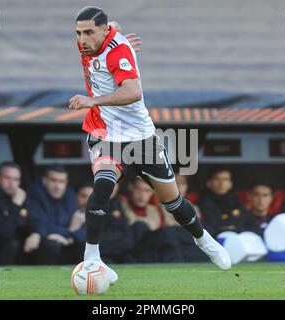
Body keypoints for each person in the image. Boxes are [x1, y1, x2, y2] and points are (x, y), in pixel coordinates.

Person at [68, 6, 230, 284]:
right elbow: (113, 25)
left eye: (88, 33)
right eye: (79, 33)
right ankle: (92, 257)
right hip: (105, 132)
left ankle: (204, 240)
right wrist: (114, 37)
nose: (82, 39)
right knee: (103, 184)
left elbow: (133, 92)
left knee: (172, 201)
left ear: (103, 31)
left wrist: (91, 99)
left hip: (140, 137)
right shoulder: (98, 39)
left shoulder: (118, 51)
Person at [0, 162, 45, 265]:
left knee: (48, 243)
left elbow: (38, 219)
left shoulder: (22, 196)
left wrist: (36, 234)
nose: (12, 183)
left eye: (16, 179)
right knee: (12, 244)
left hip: (20, 243)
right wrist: (16, 204)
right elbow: (4, 232)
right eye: (7, 178)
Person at [27, 165, 81, 264]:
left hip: (67, 241)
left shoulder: (70, 195)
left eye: (61, 181)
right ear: (44, 181)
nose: (58, 186)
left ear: (66, 183)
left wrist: (69, 238)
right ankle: (44, 276)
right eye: (53, 180)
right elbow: (43, 225)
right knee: (51, 244)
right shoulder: (35, 195)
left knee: (83, 242)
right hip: (45, 243)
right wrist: (70, 230)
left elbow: (82, 223)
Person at [121, 178, 183, 263]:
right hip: (132, 252)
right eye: (138, 189)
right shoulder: (120, 207)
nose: (142, 195)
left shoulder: (156, 211)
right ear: (131, 187)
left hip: (155, 253)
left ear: (153, 192)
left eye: (147, 191)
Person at [198, 168, 248, 238]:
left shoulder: (237, 201)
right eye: (217, 179)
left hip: (239, 236)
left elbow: (244, 221)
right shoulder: (204, 201)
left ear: (231, 184)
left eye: (225, 179)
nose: (221, 183)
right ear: (209, 183)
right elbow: (212, 224)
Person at [100, 183, 135, 263]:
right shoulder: (92, 203)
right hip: (99, 251)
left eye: (115, 183)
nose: (110, 187)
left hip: (120, 250)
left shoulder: (117, 203)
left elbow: (124, 229)